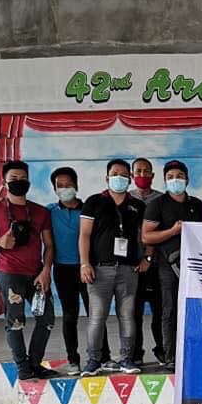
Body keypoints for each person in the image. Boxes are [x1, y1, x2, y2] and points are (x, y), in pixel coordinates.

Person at [0, 160, 58, 380]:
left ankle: (34, 363)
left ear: (29, 181)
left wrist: (46, 270)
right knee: (16, 321)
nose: (18, 183)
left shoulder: (40, 212)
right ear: (4, 183)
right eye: (13, 179)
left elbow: (49, 245)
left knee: (47, 317)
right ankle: (23, 368)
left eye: (23, 179)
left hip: (37, 274)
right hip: (10, 273)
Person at [78, 159, 149, 376]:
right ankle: (93, 361)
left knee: (127, 316)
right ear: (107, 177)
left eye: (123, 174)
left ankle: (127, 359)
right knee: (97, 317)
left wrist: (147, 257)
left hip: (128, 270)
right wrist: (84, 263)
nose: (119, 177)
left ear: (129, 178)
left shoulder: (138, 205)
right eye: (115, 173)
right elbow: (85, 235)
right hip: (99, 270)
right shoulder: (93, 202)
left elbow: (144, 236)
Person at [142, 160, 202, 372]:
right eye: (170, 177)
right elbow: (146, 236)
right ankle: (170, 356)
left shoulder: (197, 204)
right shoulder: (157, 205)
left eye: (179, 176)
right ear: (165, 180)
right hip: (167, 267)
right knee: (169, 310)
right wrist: (172, 231)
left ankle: (194, 352)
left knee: (195, 309)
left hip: (194, 266)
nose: (175, 180)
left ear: (187, 179)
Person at [47, 166, 110, 375]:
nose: (65, 189)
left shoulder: (89, 209)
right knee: (69, 316)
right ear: (55, 189)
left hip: (88, 268)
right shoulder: (49, 212)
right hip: (63, 270)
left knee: (96, 315)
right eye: (60, 186)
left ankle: (104, 357)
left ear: (77, 185)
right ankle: (73, 360)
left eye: (69, 184)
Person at [129, 157, 165, 366]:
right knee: (134, 313)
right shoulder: (125, 199)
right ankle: (135, 354)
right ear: (133, 175)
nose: (142, 175)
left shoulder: (161, 199)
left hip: (157, 264)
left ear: (153, 175)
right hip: (131, 264)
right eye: (138, 171)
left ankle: (163, 350)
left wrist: (149, 258)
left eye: (146, 171)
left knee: (159, 311)